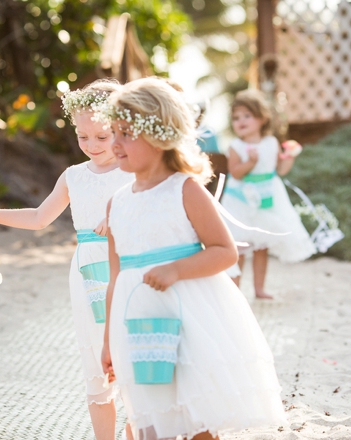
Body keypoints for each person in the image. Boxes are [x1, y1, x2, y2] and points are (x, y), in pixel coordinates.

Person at [99, 77, 286, 440]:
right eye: (113, 132)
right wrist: (109, 341)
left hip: (187, 320)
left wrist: (176, 269)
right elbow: (115, 276)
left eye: (125, 134)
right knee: (152, 416)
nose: (114, 143)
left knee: (195, 417)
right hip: (138, 325)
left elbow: (224, 251)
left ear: (157, 135)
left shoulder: (184, 189)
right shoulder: (116, 203)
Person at [0, 79, 134, 440]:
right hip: (87, 269)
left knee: (128, 354)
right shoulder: (74, 176)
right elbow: (40, 218)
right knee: (95, 360)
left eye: (101, 137)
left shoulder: (133, 171)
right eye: (83, 137)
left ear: (120, 127)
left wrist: (120, 215)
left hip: (127, 264)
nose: (91, 146)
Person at [219, 89, 316, 296]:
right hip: (241, 201)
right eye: (236, 118)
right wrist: (250, 163)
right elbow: (235, 173)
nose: (240, 121)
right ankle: (235, 291)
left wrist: (288, 159)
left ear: (262, 119)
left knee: (262, 245)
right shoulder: (236, 146)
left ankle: (259, 289)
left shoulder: (271, 143)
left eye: (247, 116)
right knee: (241, 246)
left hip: (267, 199)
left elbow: (278, 171)